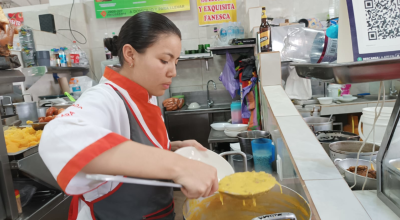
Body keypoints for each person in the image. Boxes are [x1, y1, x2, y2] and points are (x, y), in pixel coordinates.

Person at [39, 11, 218, 220]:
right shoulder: (105, 97)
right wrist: (179, 166)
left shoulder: (146, 95)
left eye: (175, 62)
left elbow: (127, 151)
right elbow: (60, 137)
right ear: (130, 55)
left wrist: (170, 149)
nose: (173, 72)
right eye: (164, 60)